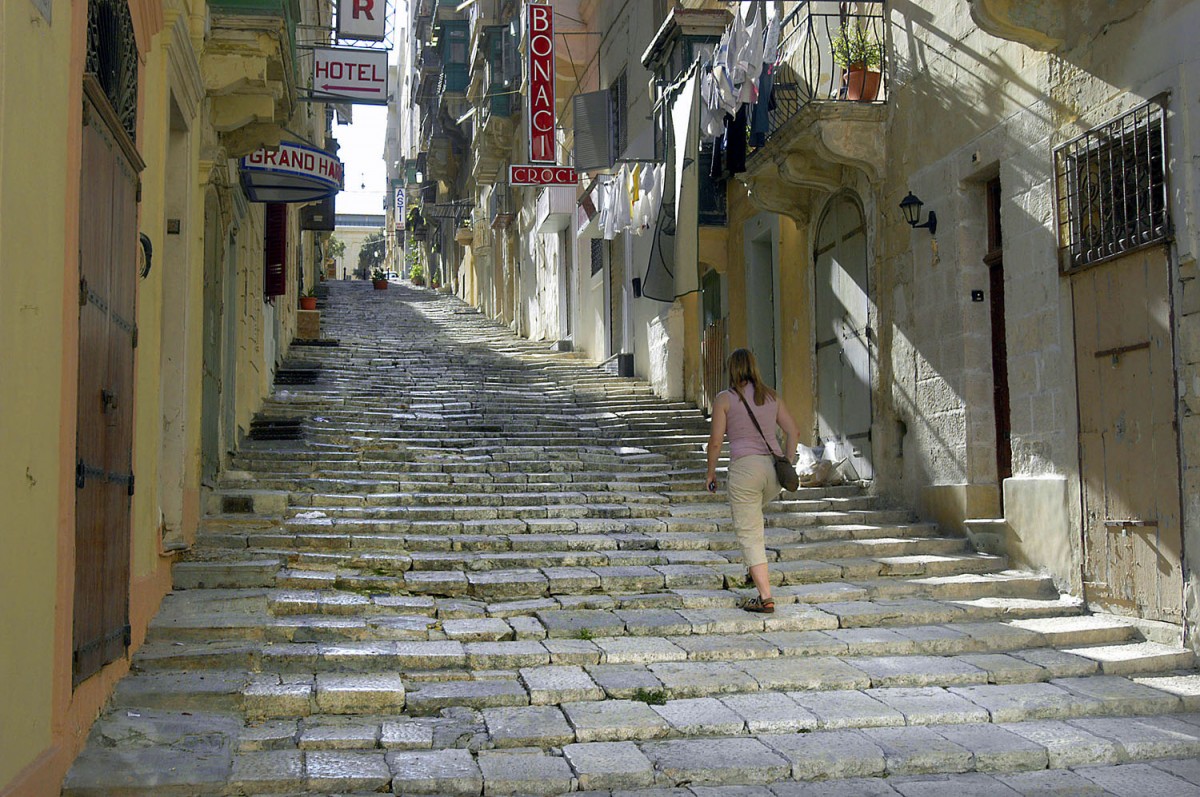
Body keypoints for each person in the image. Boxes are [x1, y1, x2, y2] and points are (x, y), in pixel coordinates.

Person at [705, 348, 800, 613]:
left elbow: (715, 442)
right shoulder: (771, 396)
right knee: (752, 520)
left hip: (745, 470)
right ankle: (754, 569)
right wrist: (787, 463)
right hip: (772, 470)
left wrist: (711, 472)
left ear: (731, 370)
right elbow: (794, 431)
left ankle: (765, 597)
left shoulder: (725, 399)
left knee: (750, 534)